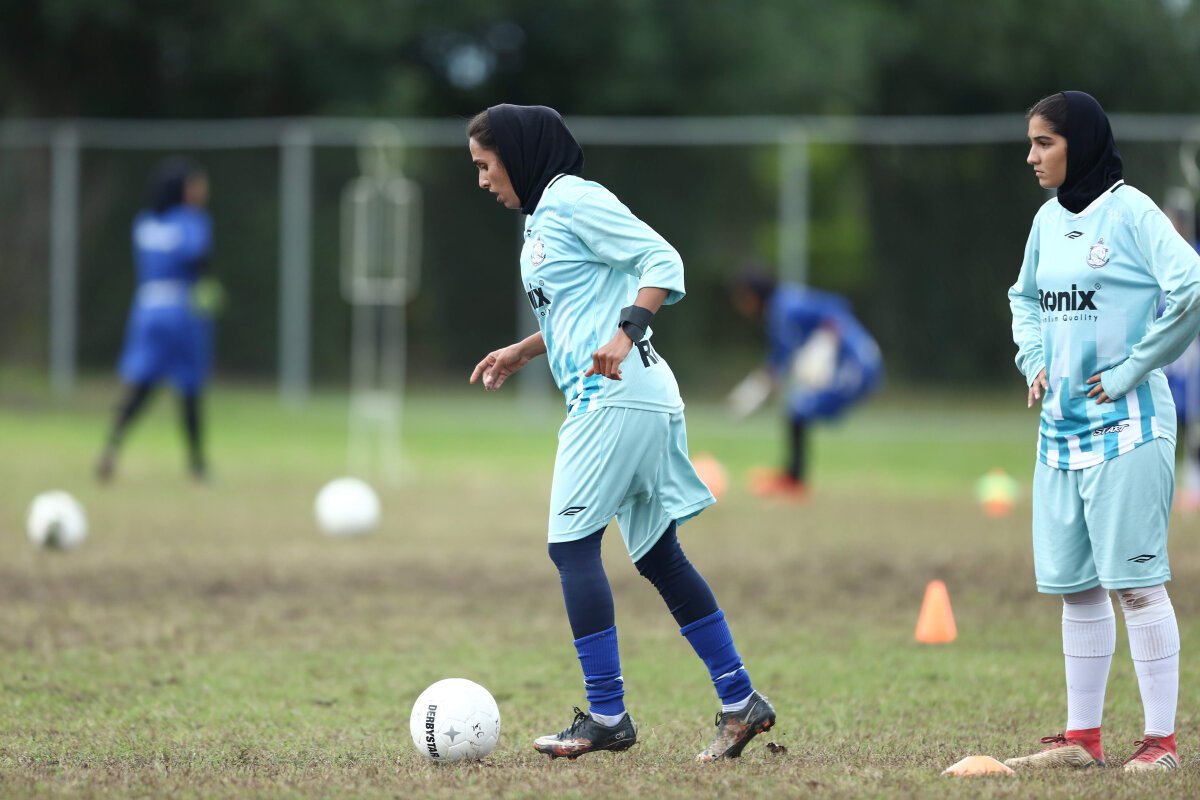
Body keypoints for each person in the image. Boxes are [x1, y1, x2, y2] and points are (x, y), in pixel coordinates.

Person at [466, 104, 775, 761]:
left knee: (571, 549)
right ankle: (740, 700)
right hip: (640, 397)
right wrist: (525, 350)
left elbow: (662, 259)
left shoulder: (574, 200)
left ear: (517, 155)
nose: (483, 180)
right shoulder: (545, 215)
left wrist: (627, 332)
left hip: (612, 398)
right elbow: (581, 305)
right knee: (659, 557)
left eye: (487, 165)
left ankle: (606, 715)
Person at [1006, 91, 1200, 773]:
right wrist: (1034, 359)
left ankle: (1161, 744)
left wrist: (1132, 369)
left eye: (1045, 143)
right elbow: (1025, 299)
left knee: (1136, 586)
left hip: (1129, 428)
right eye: (1031, 143)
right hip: (1061, 435)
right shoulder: (1046, 220)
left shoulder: (1132, 212)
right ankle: (1082, 740)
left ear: (1080, 144)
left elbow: (1191, 288)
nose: (1032, 156)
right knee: (1079, 588)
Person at [97, 158, 216, 482]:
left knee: (141, 386)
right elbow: (200, 260)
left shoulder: (145, 223)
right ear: (182, 189)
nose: (202, 190)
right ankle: (198, 465)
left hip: (147, 308)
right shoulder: (191, 221)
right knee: (190, 387)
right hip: (181, 309)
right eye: (196, 184)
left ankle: (111, 446)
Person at [729, 272, 882, 498]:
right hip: (855, 364)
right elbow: (778, 362)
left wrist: (823, 347)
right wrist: (754, 391)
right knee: (797, 408)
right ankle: (792, 477)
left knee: (798, 409)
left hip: (856, 366)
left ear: (753, 295)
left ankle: (793, 480)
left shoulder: (783, 309)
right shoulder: (782, 305)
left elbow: (838, 307)